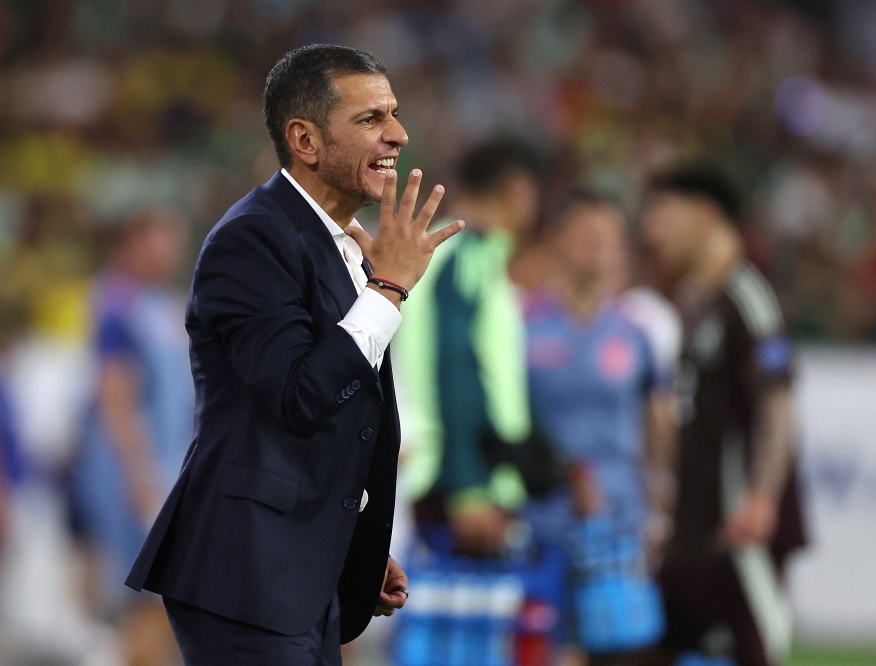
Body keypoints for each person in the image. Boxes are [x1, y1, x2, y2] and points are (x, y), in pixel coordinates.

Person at [124, 44, 464, 665]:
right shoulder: (252, 238)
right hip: (246, 571)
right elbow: (300, 397)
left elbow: (334, 422)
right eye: (371, 118)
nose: (398, 134)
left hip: (300, 563)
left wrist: (351, 543)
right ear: (305, 140)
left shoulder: (338, 246)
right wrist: (387, 289)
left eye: (393, 114)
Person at [640, 169, 806, 666]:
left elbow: (778, 407)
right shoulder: (693, 300)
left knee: (750, 651)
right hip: (691, 529)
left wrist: (761, 497)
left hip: (736, 527)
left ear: (705, 213)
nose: (652, 229)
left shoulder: (747, 297)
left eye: (664, 212)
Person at [518, 191, 674, 666]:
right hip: (540, 523)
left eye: (609, 238)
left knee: (620, 650)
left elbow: (658, 421)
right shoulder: (522, 325)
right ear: (558, 242)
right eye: (588, 236)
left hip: (618, 522)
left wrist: (659, 506)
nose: (599, 247)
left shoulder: (637, 331)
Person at [393, 137, 545, 555]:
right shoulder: (467, 258)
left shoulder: (458, 256)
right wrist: (468, 485)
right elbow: (455, 366)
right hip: (454, 482)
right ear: (518, 189)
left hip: (456, 473)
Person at [74, 210, 191, 665]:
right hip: (133, 471)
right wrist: (138, 474)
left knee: (164, 600)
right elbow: (116, 397)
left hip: (167, 466)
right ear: (135, 241)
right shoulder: (117, 304)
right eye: (161, 240)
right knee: (151, 597)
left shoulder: (163, 303)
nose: (171, 252)